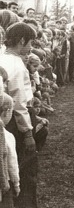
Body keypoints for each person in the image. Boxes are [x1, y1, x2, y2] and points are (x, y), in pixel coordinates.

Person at [0, 23, 37, 207]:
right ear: (22, 40)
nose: (31, 47)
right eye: (30, 42)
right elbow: (19, 103)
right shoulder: (15, 65)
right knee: (26, 165)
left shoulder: (3, 57)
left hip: (6, 117)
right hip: (14, 119)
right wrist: (28, 132)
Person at [0, 79, 20, 207]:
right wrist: (16, 184)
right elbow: (12, 163)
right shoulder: (6, 136)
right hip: (4, 183)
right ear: (6, 111)